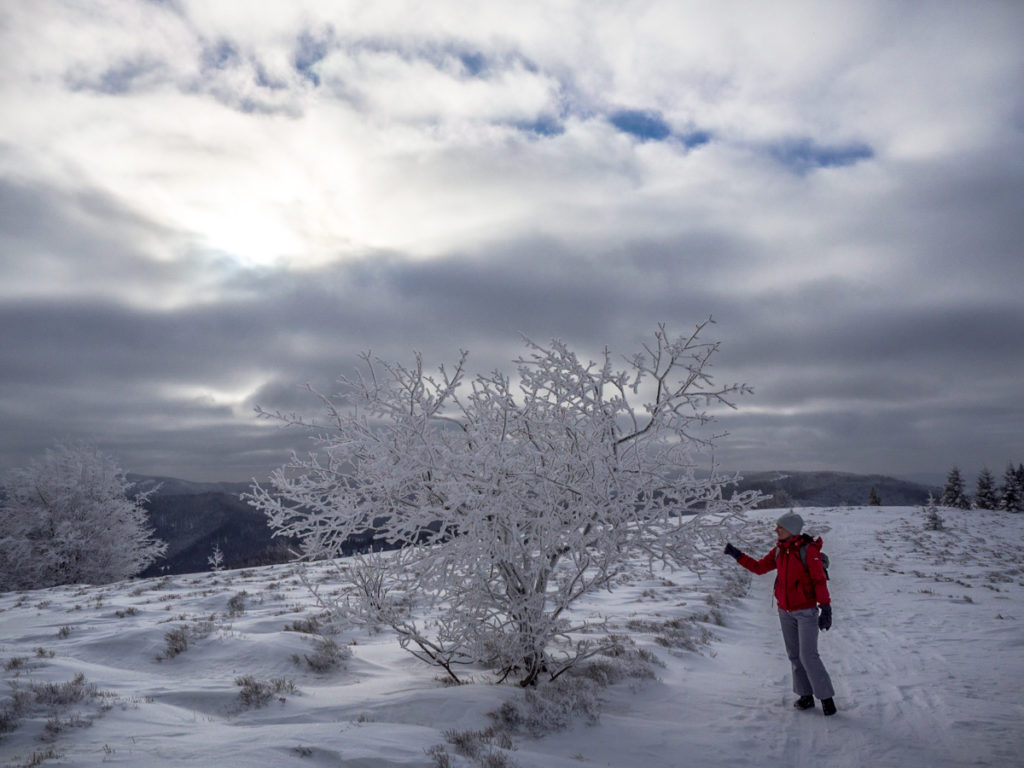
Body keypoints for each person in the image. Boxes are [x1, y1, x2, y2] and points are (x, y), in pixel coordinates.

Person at [724, 511, 838, 716]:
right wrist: (737, 555)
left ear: (792, 530)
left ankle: (827, 698)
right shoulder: (779, 551)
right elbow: (759, 568)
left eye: (780, 527)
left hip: (806, 612)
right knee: (794, 655)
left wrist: (826, 607)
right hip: (785, 611)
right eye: (777, 526)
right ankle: (805, 696)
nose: (776, 530)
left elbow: (819, 580)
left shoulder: (808, 551)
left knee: (808, 655)